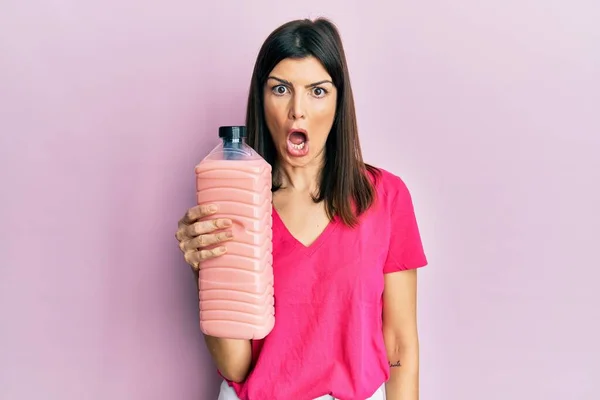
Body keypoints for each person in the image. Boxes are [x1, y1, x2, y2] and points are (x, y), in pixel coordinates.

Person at [175, 17, 428, 400]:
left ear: (339, 100)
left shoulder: (386, 197)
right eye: (280, 89)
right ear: (261, 99)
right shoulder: (237, 203)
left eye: (317, 91)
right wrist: (206, 271)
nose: (298, 110)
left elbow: (399, 345)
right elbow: (235, 366)